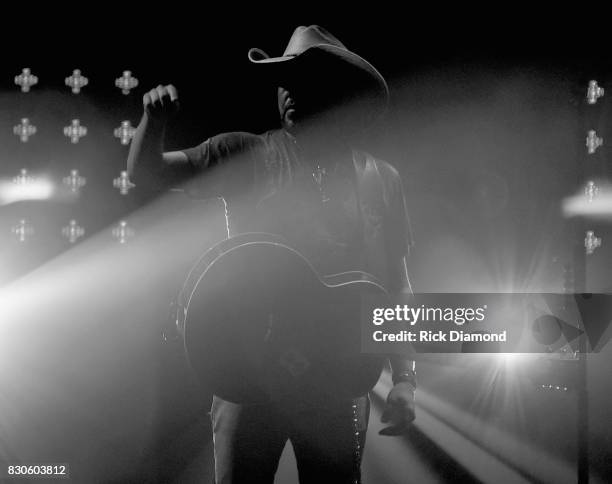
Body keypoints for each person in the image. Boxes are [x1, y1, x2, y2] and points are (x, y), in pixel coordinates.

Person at [127, 25, 417, 484]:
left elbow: (397, 282)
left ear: (340, 95)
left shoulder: (380, 179)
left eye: (305, 83)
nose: (289, 93)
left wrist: (405, 377)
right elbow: (148, 177)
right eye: (284, 82)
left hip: (336, 381)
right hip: (249, 376)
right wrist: (154, 122)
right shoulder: (246, 153)